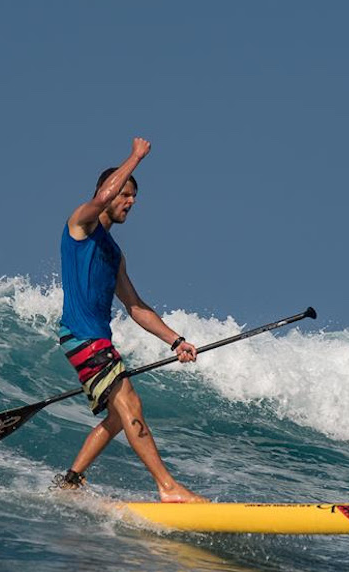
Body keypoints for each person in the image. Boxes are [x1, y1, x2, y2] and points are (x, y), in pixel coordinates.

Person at [53, 137, 207, 503]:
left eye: (134, 197)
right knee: (130, 403)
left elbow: (135, 306)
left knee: (120, 415)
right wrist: (136, 157)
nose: (131, 202)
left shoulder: (114, 253)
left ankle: (71, 481)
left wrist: (176, 340)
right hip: (83, 337)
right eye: (126, 194)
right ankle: (168, 488)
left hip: (95, 340)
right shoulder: (79, 226)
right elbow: (102, 199)